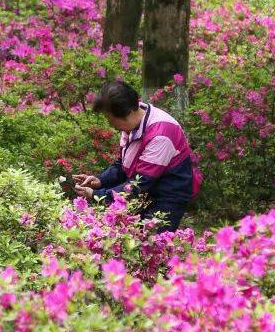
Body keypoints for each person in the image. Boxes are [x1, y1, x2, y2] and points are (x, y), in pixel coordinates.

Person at [75, 79, 201, 232]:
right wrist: (100, 181)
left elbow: (139, 184)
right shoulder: (132, 125)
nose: (110, 124)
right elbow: (122, 165)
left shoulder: (161, 134)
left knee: (152, 242)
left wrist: (96, 195)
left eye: (110, 118)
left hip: (167, 197)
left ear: (127, 113)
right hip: (147, 192)